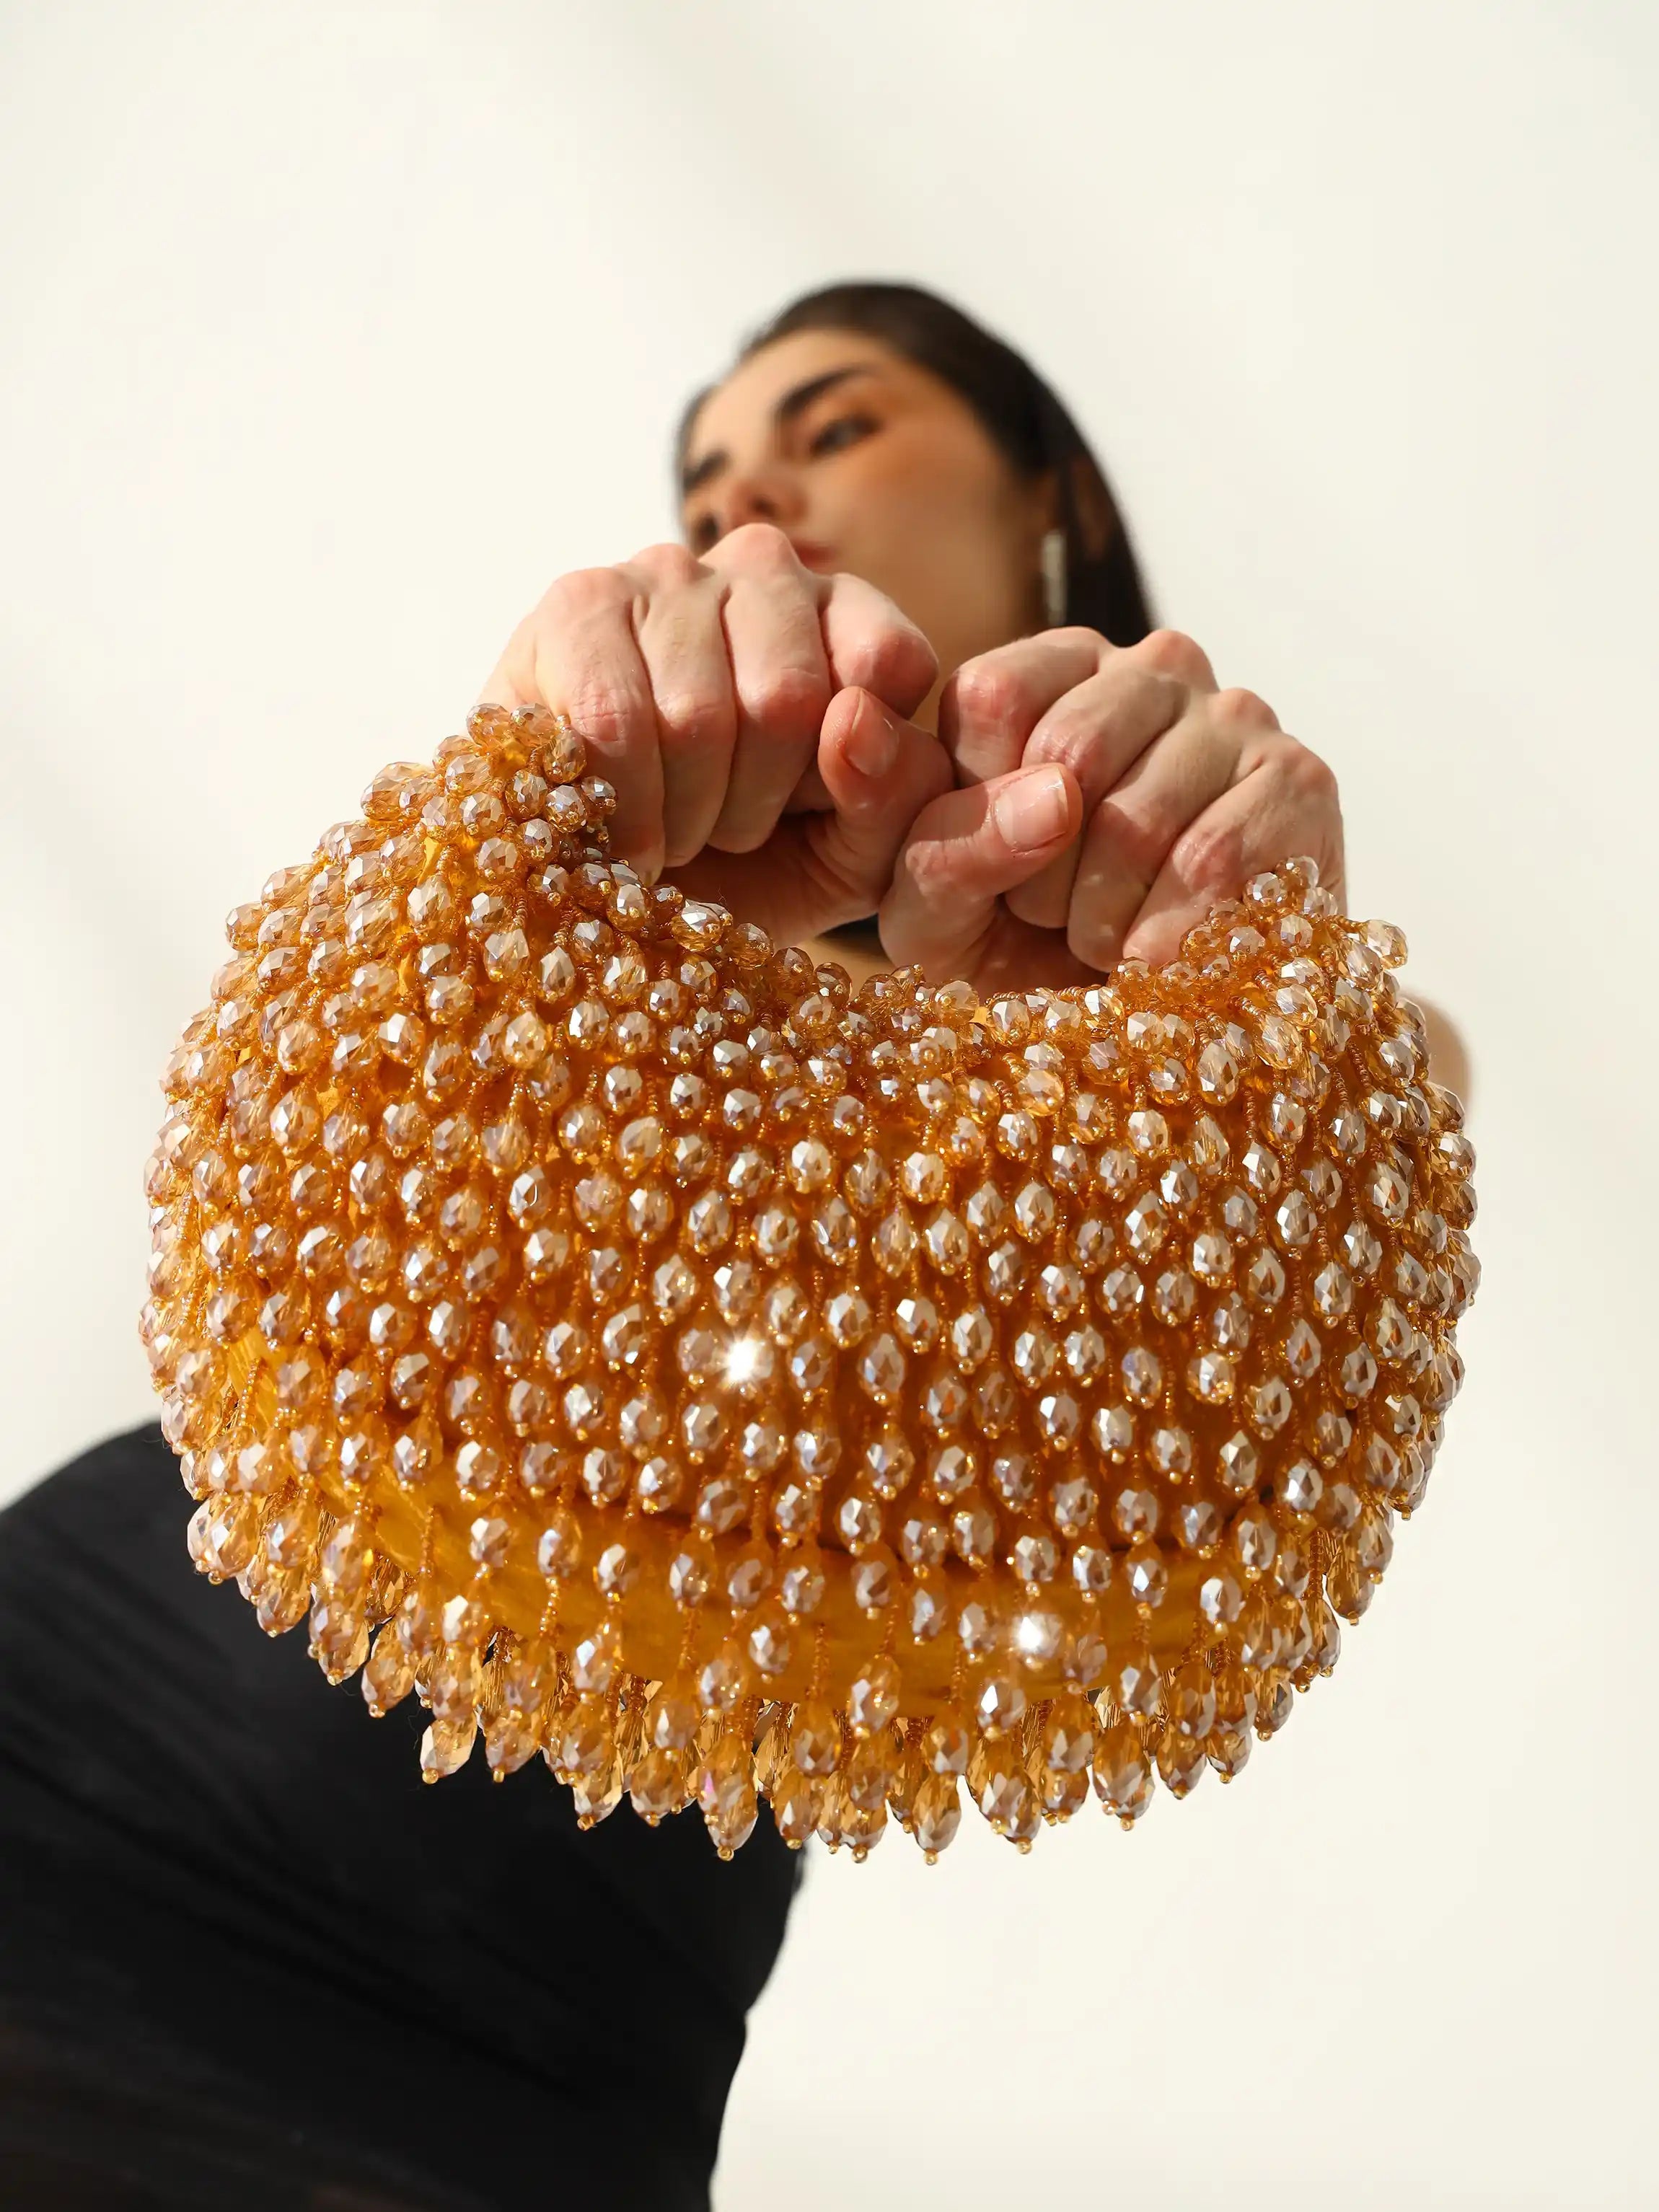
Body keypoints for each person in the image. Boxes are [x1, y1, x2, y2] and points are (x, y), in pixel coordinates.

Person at [0, 278, 1459, 2209]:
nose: (749, 491)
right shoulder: (591, 919)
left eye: (832, 422)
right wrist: (534, 799)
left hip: (492, 2038)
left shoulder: (1272, 1057)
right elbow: (281, 1223)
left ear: (1056, 505)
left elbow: (1251, 1472)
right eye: (708, 473)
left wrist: (1258, 991)